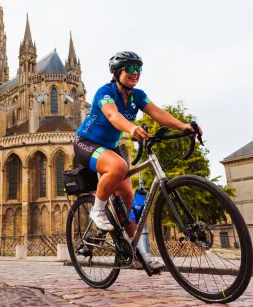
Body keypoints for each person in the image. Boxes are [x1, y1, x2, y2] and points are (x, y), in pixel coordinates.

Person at [74, 51, 202, 269]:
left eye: (138, 69)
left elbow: (157, 112)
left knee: (128, 199)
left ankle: (139, 254)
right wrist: (132, 127)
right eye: (130, 69)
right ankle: (97, 210)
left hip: (110, 147)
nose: (135, 73)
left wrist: (182, 126)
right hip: (86, 142)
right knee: (119, 165)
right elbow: (113, 116)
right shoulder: (104, 92)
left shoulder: (137, 95)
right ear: (117, 73)